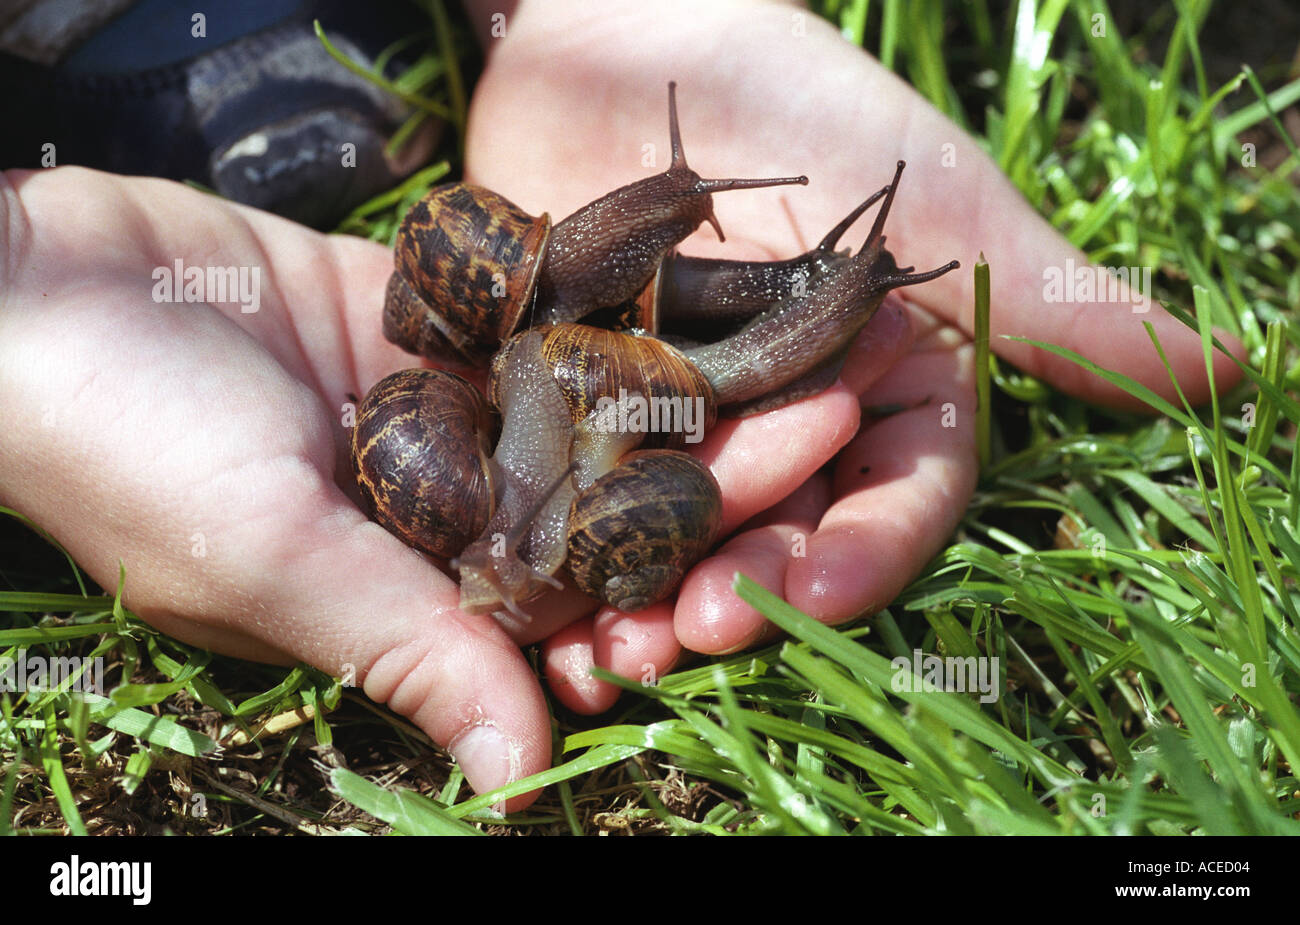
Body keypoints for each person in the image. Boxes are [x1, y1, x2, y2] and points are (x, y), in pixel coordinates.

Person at [0, 0, 1243, 811]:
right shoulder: (519, 369)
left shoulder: (533, 354)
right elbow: (552, 357)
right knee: (651, 369)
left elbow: (558, 351)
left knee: (674, 355)